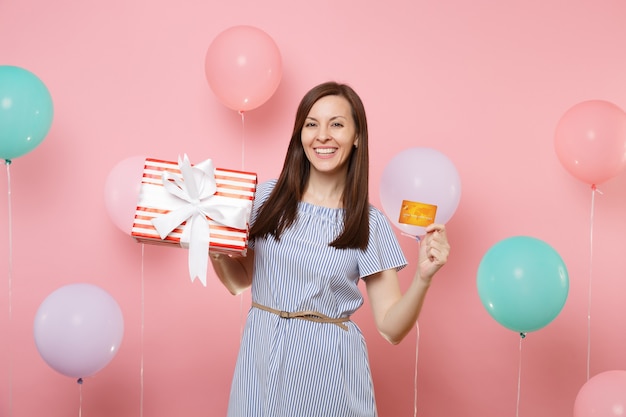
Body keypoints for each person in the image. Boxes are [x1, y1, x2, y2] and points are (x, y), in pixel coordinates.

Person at [210, 81, 450, 417]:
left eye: (336, 124)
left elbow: (391, 328)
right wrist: (213, 244)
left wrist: (423, 278)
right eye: (312, 124)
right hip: (260, 359)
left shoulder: (369, 223)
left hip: (327, 372)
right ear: (300, 135)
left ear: (357, 137)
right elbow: (239, 281)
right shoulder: (266, 198)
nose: (323, 135)